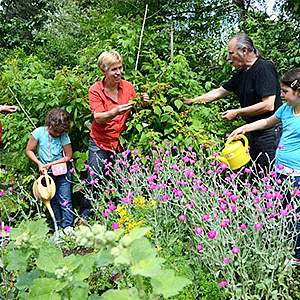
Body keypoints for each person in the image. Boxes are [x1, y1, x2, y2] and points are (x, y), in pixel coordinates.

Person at [229, 68, 300, 267]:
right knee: (283, 213)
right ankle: (286, 248)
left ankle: (297, 256)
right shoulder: (286, 110)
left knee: (297, 216)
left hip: (298, 175)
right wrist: (244, 127)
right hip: (281, 171)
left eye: (285, 92)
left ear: (299, 91)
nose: (282, 95)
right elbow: (267, 122)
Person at [183, 33, 282, 172]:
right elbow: (219, 92)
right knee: (258, 176)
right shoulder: (241, 74)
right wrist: (191, 101)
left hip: (270, 132)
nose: (229, 58)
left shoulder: (263, 68)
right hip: (253, 131)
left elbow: (268, 104)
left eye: (231, 53)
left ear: (244, 50)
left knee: (270, 176)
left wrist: (237, 112)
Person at [80, 50, 149, 220]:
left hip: (121, 144)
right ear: (104, 70)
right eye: (114, 69)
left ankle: (122, 218)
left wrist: (142, 103)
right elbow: (98, 117)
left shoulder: (128, 87)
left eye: (120, 68)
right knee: (94, 180)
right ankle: (85, 218)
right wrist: (115, 111)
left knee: (123, 182)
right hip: (100, 142)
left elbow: (135, 110)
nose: (118, 72)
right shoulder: (95, 90)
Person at [26, 108, 74, 234]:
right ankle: (56, 226)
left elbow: (68, 156)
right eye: (55, 131)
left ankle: (68, 226)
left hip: (61, 172)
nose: (58, 134)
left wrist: (51, 164)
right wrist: (39, 164)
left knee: (65, 199)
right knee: (51, 199)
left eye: (61, 131)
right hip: (46, 175)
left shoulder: (63, 135)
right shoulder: (38, 133)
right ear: (50, 124)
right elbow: (29, 150)